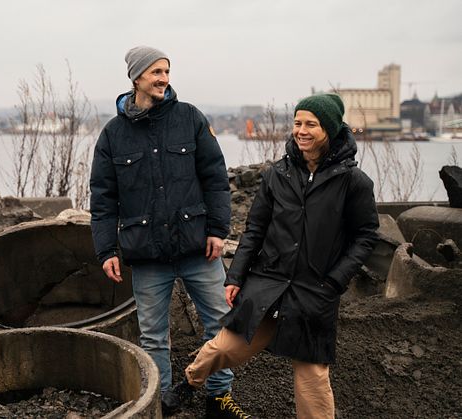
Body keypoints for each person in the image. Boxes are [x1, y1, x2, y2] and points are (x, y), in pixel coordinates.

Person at [175, 93, 380, 418]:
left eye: (310, 124)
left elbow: (366, 235)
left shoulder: (353, 182)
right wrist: (237, 276)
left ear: (329, 127)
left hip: (315, 291)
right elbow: (255, 229)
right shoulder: (277, 174)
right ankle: (190, 381)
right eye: (298, 122)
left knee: (312, 378)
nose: (301, 130)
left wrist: (335, 280)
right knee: (226, 347)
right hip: (268, 284)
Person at [90, 46, 246, 417]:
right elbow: (102, 199)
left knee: (221, 326)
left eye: (166, 71)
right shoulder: (113, 135)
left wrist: (217, 229)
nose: (164, 78)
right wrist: (106, 250)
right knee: (153, 337)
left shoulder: (189, 118)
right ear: (137, 78)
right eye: (156, 72)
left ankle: (218, 399)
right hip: (147, 255)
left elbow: (215, 179)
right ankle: (160, 405)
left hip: (198, 248)